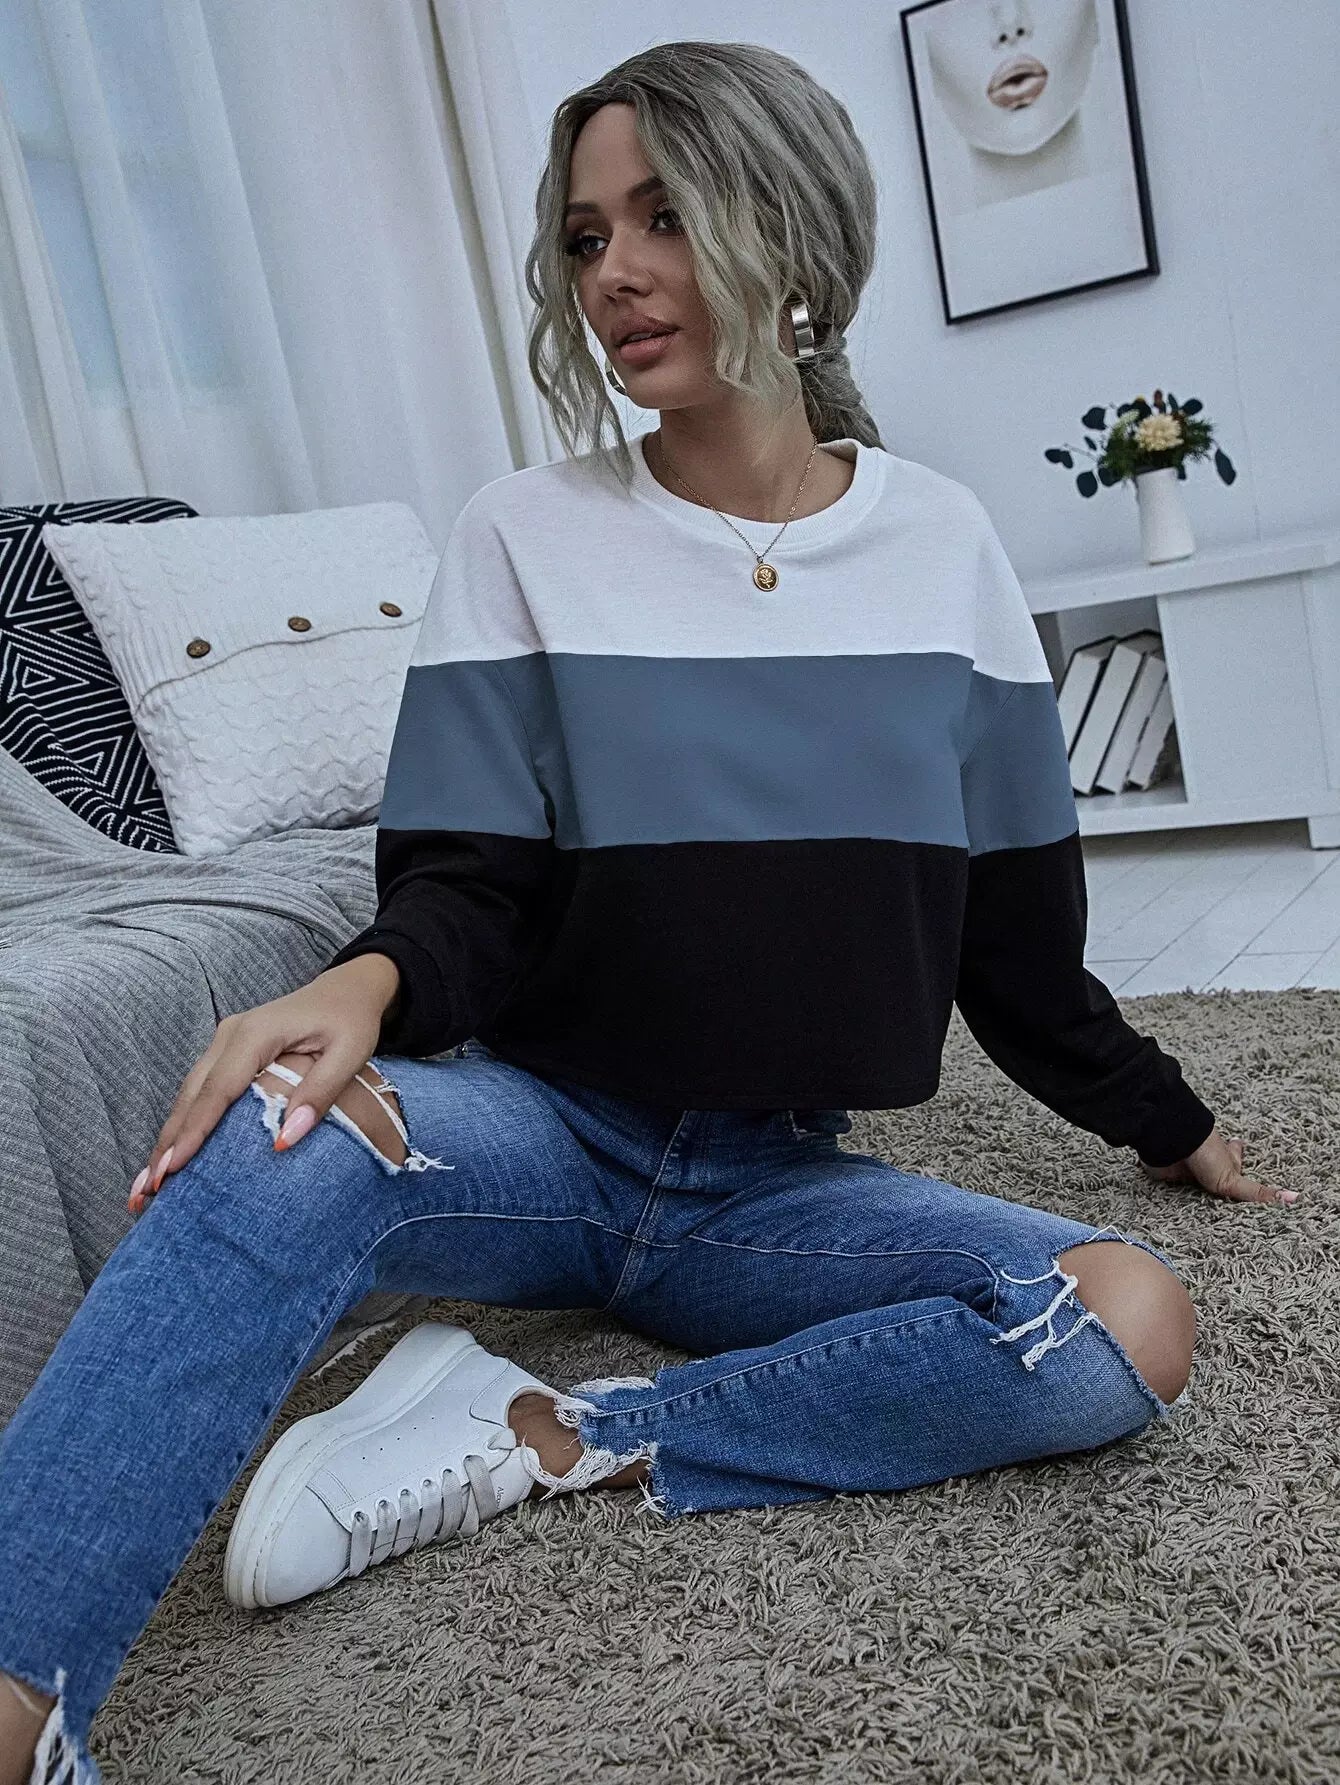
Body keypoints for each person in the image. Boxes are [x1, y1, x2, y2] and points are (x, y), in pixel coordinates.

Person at [0, 39, 1294, 1785]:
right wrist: (366, 983)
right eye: (586, 234)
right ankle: (21, 1712)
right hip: (541, 1139)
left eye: (666, 216)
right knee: (281, 1121)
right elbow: (468, 879)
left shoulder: (946, 552)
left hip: (771, 1192)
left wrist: (1169, 1117)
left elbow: (1015, 944)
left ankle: (554, 1427)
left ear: (793, 228)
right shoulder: (523, 534)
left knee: (1125, 1322)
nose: (614, 270)